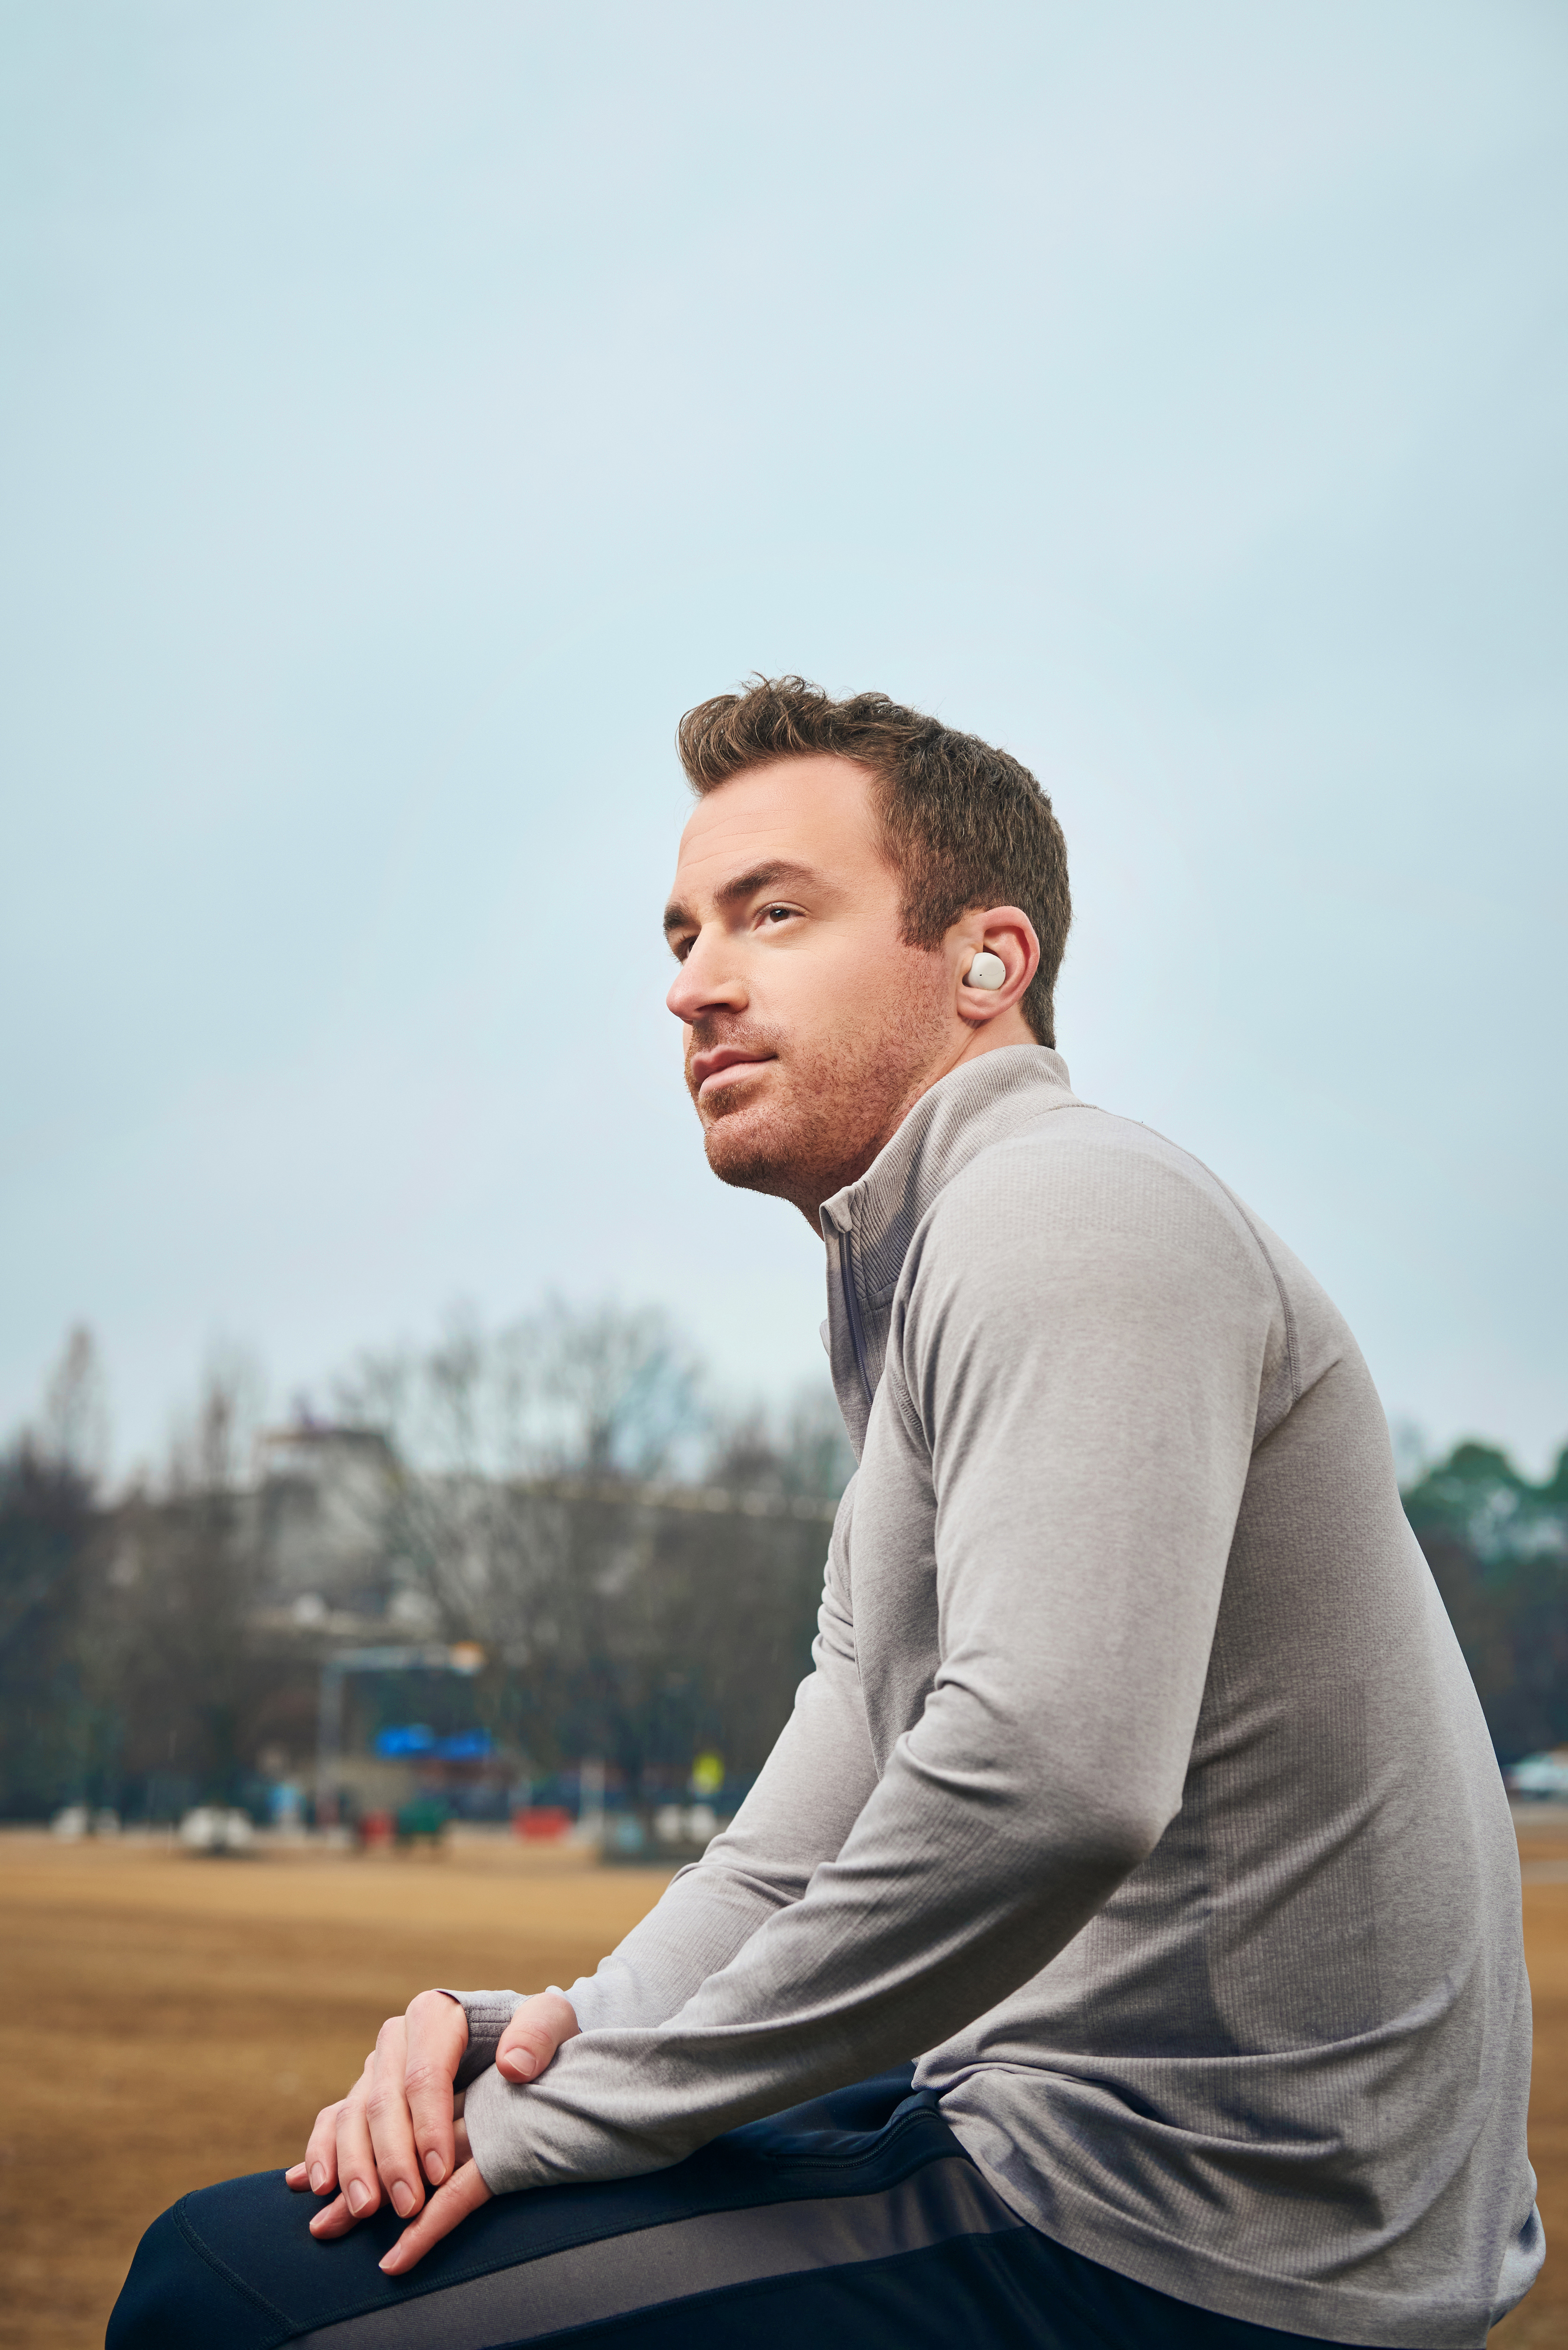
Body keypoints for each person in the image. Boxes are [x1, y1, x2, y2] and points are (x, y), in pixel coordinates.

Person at [110, 680, 1540, 2349]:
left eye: (772, 915)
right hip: (1042, 2138)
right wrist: (544, 2043)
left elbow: (1050, 1779)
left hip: (1195, 2235)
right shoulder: (922, 1286)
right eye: (682, 935)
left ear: (985, 962)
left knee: (226, 2296)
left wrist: (587, 2115)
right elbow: (804, 1837)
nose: (692, 985)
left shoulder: (1069, 1209)